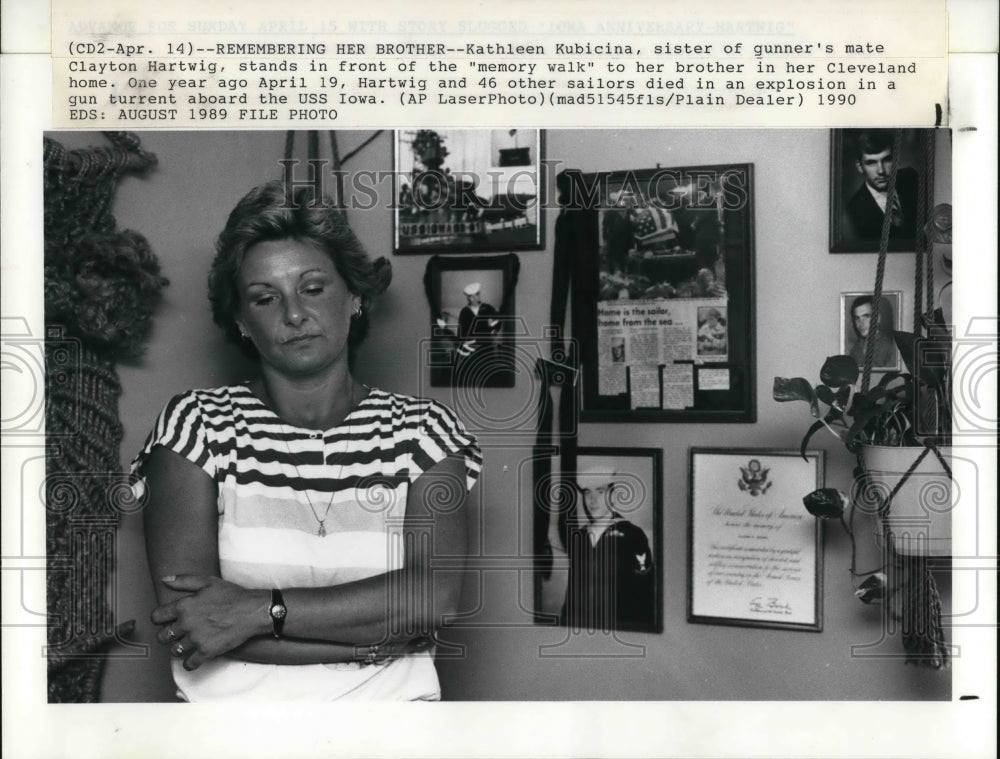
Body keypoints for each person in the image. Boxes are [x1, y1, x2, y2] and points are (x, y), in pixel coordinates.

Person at [131, 181, 482, 701]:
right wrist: (379, 640)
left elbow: (433, 601)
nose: (293, 314)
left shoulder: (425, 431)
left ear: (355, 295)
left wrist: (256, 610)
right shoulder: (196, 426)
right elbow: (197, 626)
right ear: (242, 322)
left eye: (313, 287)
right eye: (264, 297)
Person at [559, 466, 655, 631]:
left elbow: (644, 595)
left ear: (613, 495)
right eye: (587, 492)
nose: (592, 500)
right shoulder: (579, 537)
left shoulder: (632, 535)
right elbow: (573, 592)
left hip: (621, 629)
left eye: (600, 491)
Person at [845, 129, 919, 240]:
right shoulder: (853, 213)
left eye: (887, 160)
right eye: (871, 163)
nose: (881, 170)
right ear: (860, 166)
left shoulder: (912, 179)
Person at [848, 294, 897, 369]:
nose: (860, 323)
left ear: (878, 318)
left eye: (866, 316)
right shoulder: (856, 348)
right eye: (857, 318)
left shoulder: (889, 346)